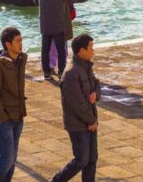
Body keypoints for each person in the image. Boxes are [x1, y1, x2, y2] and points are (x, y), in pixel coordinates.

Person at [52, 34, 100, 182]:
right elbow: (76, 103)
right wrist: (91, 120)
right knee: (81, 160)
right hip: (78, 124)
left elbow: (96, 84)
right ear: (81, 50)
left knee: (92, 159)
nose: (93, 50)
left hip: (90, 120)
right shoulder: (71, 72)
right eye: (91, 47)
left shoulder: (86, 66)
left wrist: (96, 94)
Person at [0, 27, 27, 182]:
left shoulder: (21, 60)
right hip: (3, 119)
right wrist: (2, 117)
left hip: (18, 116)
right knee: (6, 159)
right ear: (8, 44)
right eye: (17, 41)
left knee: (12, 160)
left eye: (21, 40)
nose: (21, 44)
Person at [34, 0, 83, 79]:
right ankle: (61, 72)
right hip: (58, 23)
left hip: (44, 23)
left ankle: (46, 73)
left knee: (45, 49)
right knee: (61, 49)